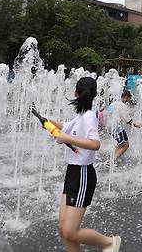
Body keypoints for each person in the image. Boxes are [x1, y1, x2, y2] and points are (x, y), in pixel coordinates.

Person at [48, 77, 121, 252]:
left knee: (70, 231)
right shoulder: (81, 115)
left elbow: (95, 143)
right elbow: (66, 126)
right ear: (94, 95)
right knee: (63, 228)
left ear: (75, 93)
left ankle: (109, 242)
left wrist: (66, 138)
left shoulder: (88, 116)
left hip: (83, 175)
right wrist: (49, 122)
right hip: (73, 173)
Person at [110, 90, 142, 161]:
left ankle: (113, 158)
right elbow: (127, 120)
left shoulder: (113, 103)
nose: (128, 101)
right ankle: (113, 160)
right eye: (128, 98)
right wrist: (137, 125)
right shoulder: (122, 105)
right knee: (125, 145)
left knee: (120, 144)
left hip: (110, 126)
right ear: (125, 97)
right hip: (117, 127)